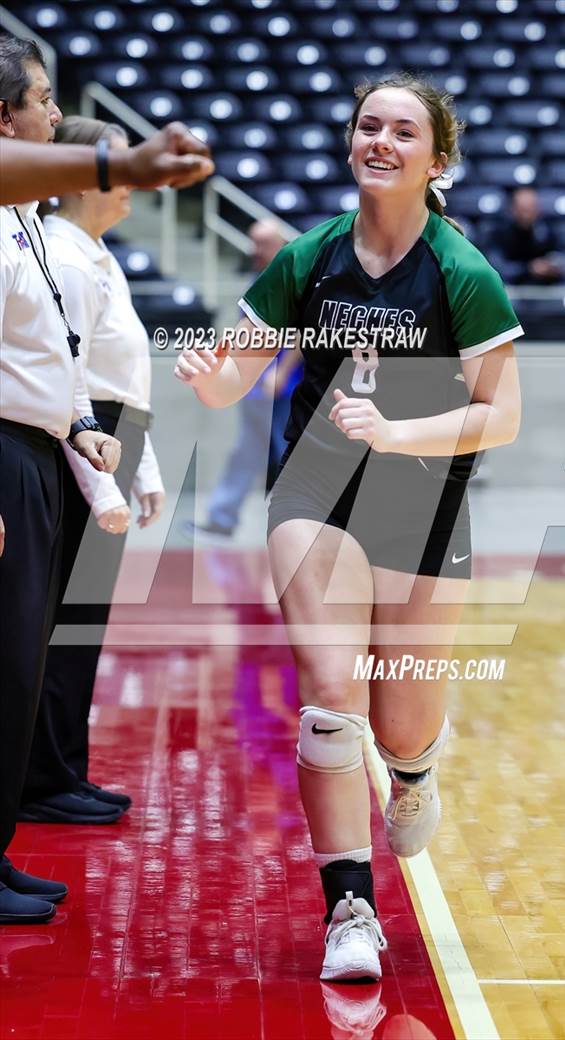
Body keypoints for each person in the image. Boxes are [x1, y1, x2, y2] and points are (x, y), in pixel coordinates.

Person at [174, 73, 522, 981]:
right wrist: (209, 374)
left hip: (422, 505)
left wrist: (400, 433)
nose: (381, 140)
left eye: (403, 131)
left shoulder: (463, 271)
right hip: (316, 496)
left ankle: (412, 775)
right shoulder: (308, 258)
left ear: (436, 160)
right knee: (332, 701)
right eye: (368, 125)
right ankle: (350, 909)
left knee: (402, 723)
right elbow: (232, 382)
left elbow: (503, 415)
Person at [0, 35, 121, 923]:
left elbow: (50, 352)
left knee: (18, 664)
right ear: (5, 120)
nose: (54, 115)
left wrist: (78, 425)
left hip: (39, 451)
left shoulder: (26, 222)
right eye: (42, 101)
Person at [17, 115, 166, 825]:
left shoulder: (97, 256)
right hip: (87, 445)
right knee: (62, 627)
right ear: (81, 179)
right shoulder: (68, 260)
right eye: (112, 165)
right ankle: (45, 777)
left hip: (112, 436)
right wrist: (107, 478)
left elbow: (126, 385)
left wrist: (145, 468)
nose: (129, 183)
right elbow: (75, 383)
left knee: (81, 626)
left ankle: (62, 768)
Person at [186, 220, 302, 541]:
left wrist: (282, 372)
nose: (256, 250)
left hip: (283, 388)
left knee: (285, 455)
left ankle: (297, 525)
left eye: (263, 243)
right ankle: (222, 518)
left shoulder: (293, 272)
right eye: (254, 242)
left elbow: (303, 333)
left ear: (279, 242)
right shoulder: (257, 276)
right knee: (247, 452)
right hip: (253, 386)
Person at [0, 121, 214, 205]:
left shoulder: (31, 220)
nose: (56, 112)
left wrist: (128, 165)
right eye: (44, 100)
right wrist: (127, 166)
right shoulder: (68, 257)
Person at [491, 187, 562, 284]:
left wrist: (550, 268)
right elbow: (497, 268)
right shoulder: (499, 231)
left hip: (543, 287)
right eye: (523, 209)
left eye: (532, 208)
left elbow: (557, 259)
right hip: (510, 287)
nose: (527, 214)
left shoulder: (546, 231)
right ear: (513, 209)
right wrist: (529, 268)